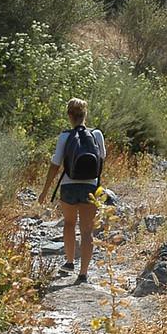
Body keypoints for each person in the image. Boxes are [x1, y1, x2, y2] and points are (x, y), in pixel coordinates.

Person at [38, 98, 106, 284]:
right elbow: (102, 158)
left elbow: (55, 165)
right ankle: (83, 273)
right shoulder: (97, 134)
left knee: (69, 223)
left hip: (68, 186)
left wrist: (45, 191)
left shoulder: (64, 136)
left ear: (69, 116)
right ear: (85, 115)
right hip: (90, 187)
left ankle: (69, 262)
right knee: (87, 231)